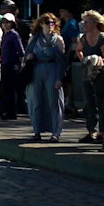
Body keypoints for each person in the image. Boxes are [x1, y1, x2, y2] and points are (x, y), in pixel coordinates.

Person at [21, 13, 65, 142]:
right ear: (41, 24)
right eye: (47, 23)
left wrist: (59, 78)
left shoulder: (58, 40)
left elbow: (61, 61)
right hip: (36, 70)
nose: (50, 25)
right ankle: (37, 131)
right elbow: (26, 55)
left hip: (52, 69)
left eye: (53, 23)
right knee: (35, 100)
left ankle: (55, 133)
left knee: (54, 101)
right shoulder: (34, 39)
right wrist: (29, 58)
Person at [75, 10, 104, 147]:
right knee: (88, 102)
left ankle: (103, 132)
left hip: (100, 73)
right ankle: (91, 131)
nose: (85, 25)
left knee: (101, 103)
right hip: (87, 73)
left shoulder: (103, 38)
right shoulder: (84, 38)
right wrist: (84, 60)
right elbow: (78, 50)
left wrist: (98, 60)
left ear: (95, 23)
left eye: (87, 22)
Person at [0, 13, 24, 120]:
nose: (5, 24)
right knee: (6, 88)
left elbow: (21, 51)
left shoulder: (14, 34)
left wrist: (21, 65)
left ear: (12, 23)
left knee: (11, 88)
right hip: (5, 64)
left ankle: (12, 112)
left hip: (12, 64)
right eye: (3, 22)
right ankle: (7, 109)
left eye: (7, 22)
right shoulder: (5, 35)